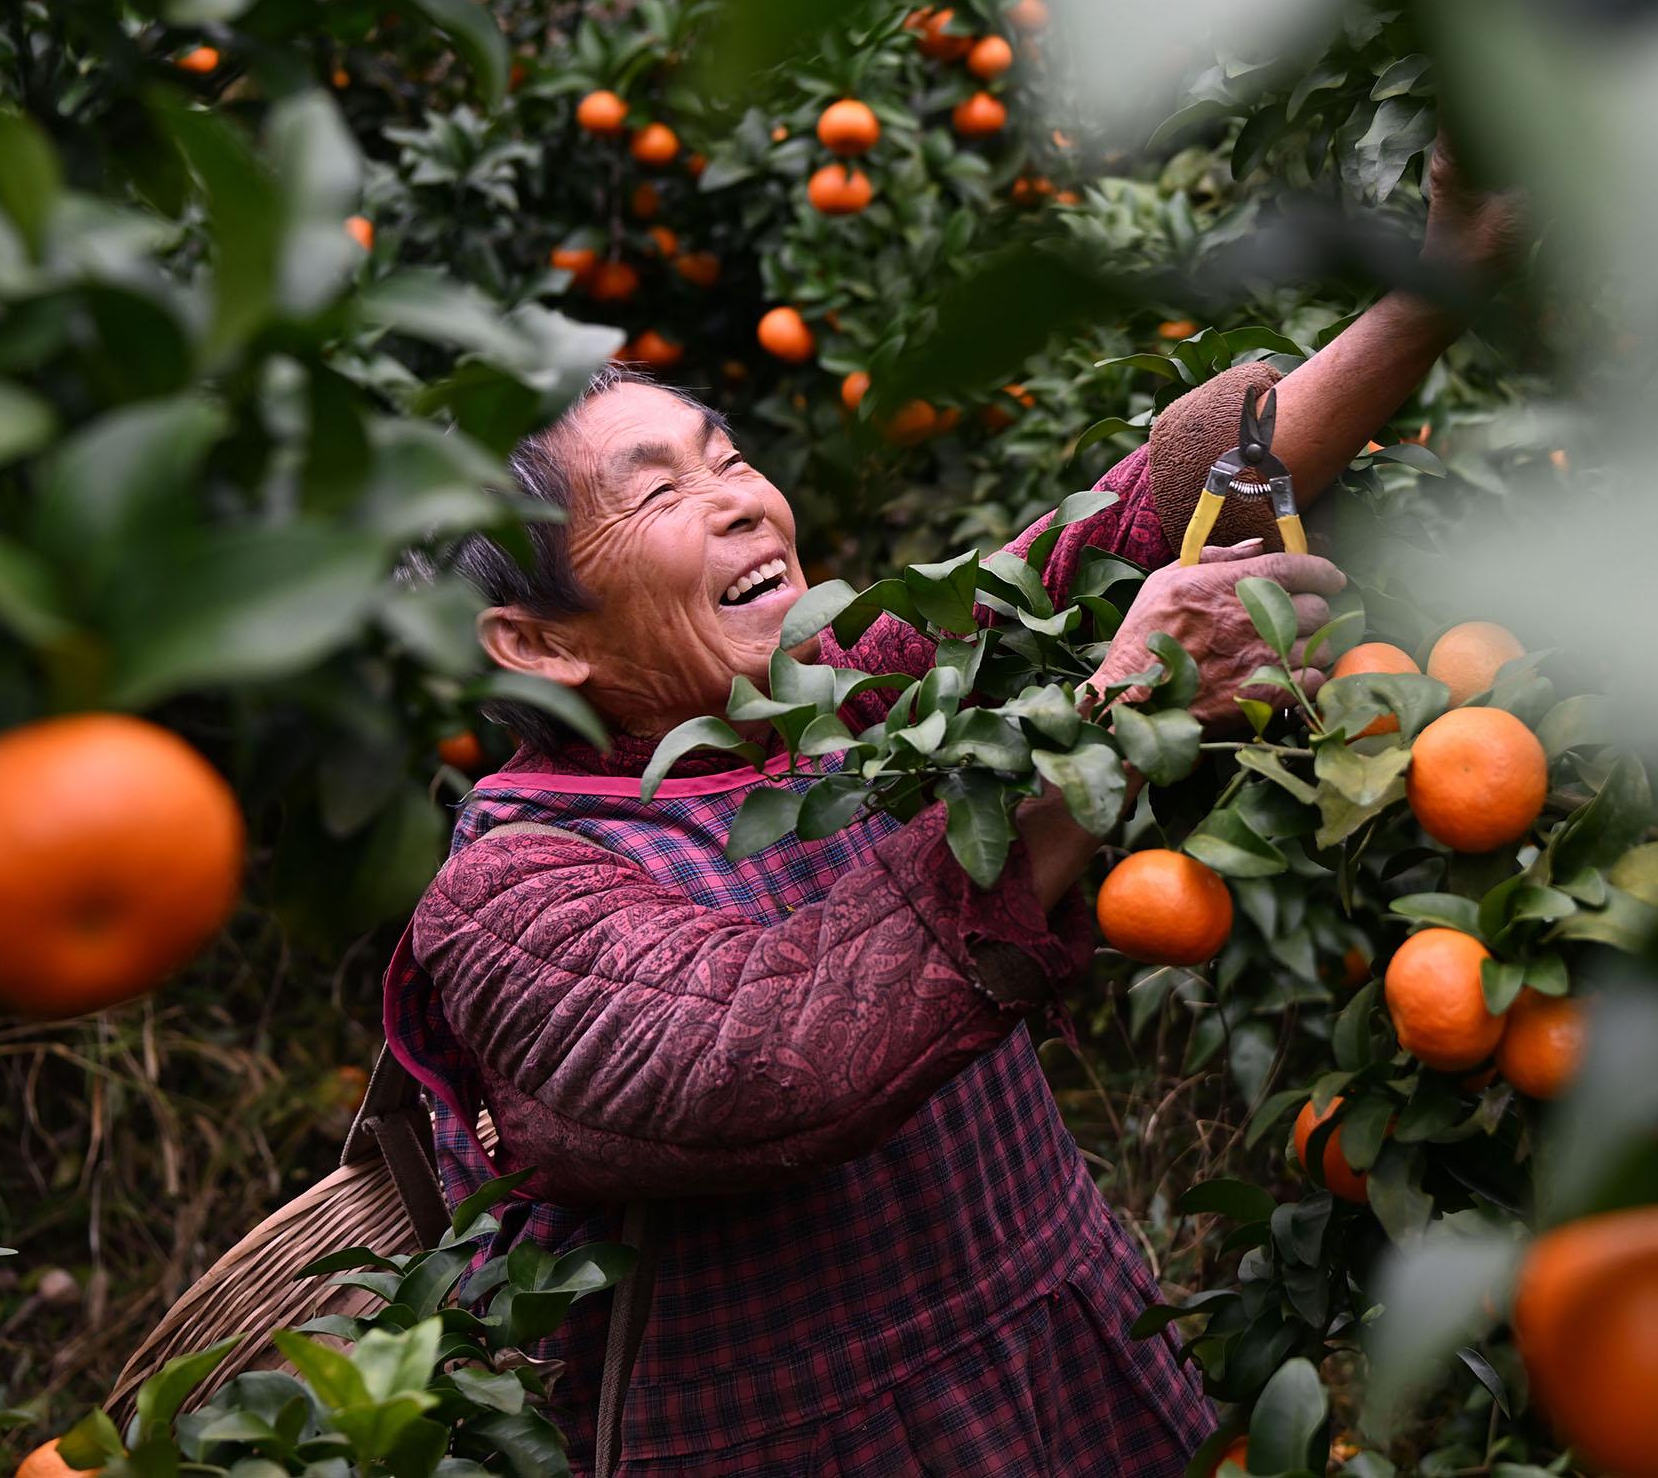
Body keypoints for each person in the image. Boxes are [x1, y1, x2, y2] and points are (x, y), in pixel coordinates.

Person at [379, 152, 1517, 1476]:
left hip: (1064, 1364)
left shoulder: (839, 699)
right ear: (535, 642)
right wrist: (1116, 716)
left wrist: (1444, 279)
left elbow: (1117, 538)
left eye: (728, 458)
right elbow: (775, 1055)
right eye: (659, 493)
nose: (741, 498)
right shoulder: (510, 896)